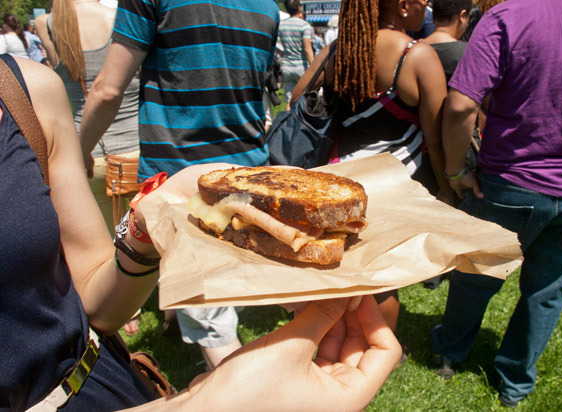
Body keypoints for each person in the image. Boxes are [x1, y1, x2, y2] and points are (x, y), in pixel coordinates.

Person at [0, 54, 402, 412]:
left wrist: (145, 226)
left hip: (110, 380)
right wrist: (206, 404)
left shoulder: (28, 91)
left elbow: (95, 303)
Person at [431, 0, 562, 407]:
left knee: (477, 276)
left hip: (507, 184)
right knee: (548, 291)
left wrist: (453, 171)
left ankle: (451, 351)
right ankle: (514, 380)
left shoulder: (509, 15)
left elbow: (461, 104)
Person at [77, 0, 278, 370]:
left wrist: (77, 152)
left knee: (213, 325)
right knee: (217, 294)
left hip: (187, 183)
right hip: (252, 170)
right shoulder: (267, 5)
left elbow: (108, 88)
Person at [291, 0, 453, 333]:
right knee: (381, 281)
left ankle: (328, 342)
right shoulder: (417, 56)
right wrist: (448, 189)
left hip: (334, 181)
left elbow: (297, 98)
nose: (428, 6)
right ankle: (374, 352)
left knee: (337, 266)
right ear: (403, 6)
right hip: (392, 185)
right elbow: (436, 141)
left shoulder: (341, 50)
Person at [35, 0, 140, 236]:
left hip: (85, 156)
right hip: (139, 153)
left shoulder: (47, 24)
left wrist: (82, 151)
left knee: (104, 248)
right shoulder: (119, 17)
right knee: (149, 244)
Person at [421, 0, 472, 289]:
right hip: (457, 146)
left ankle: (430, 270)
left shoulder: (415, 49)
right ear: (462, 15)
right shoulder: (468, 54)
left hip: (420, 145)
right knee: (456, 207)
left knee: (429, 206)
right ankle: (450, 265)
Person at [279, 0, 315, 109]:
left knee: (289, 101)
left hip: (286, 66)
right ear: (299, 8)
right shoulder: (304, 25)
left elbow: (275, 45)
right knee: (305, 97)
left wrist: (282, 53)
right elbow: (307, 48)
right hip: (302, 66)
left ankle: (288, 123)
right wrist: (314, 67)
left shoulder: (281, 25)